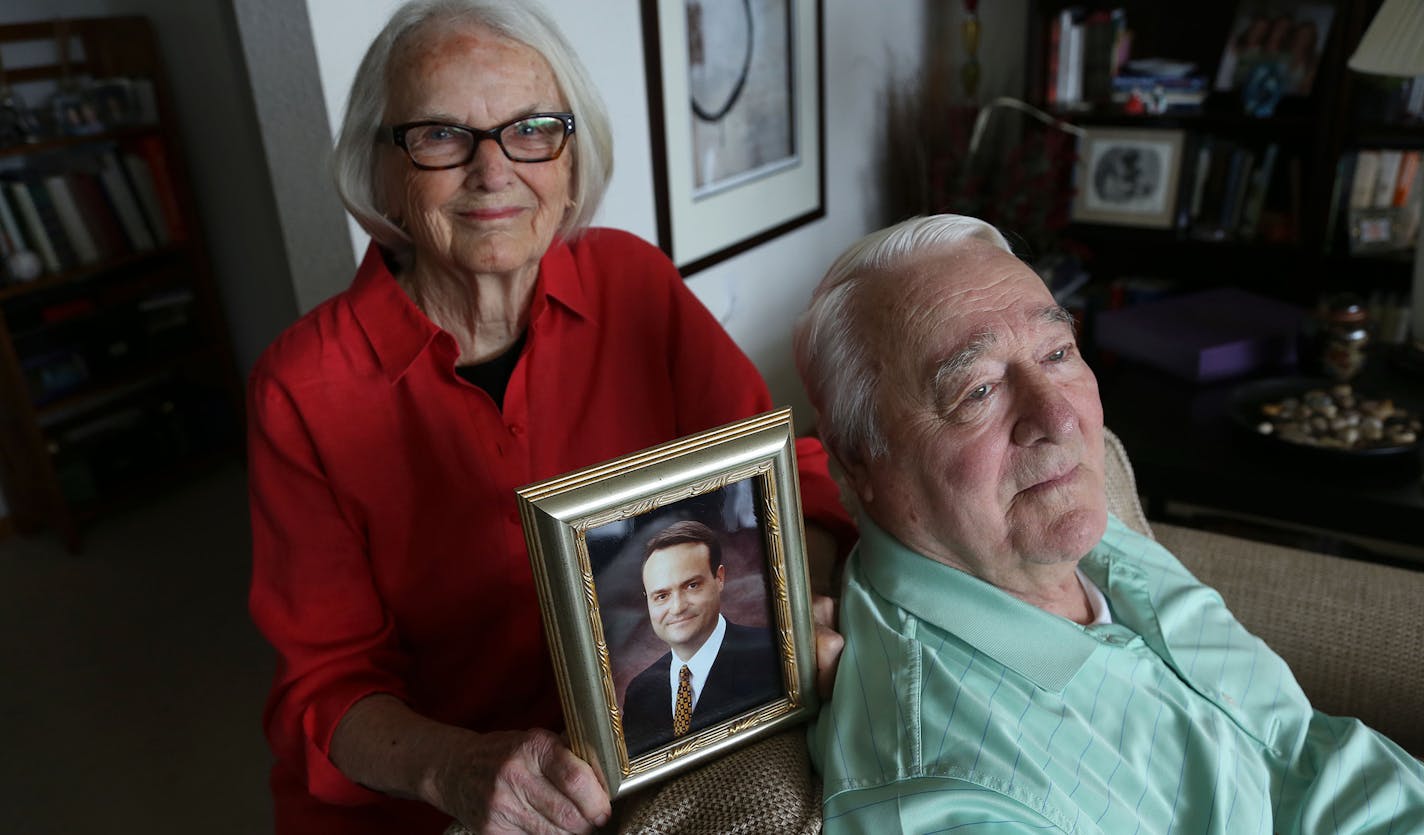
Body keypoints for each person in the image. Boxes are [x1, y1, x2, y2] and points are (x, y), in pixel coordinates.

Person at [245, 1, 852, 832]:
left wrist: (796, 600)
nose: (494, 171)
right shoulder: (301, 387)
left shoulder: (634, 284)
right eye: (440, 135)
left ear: (571, 159)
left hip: (661, 742)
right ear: (381, 170)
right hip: (443, 797)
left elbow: (787, 483)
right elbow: (325, 688)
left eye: (532, 129)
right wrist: (454, 767)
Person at [793, 214, 1424, 833]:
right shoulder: (948, 788)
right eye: (978, 390)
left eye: (1058, 351)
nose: (1060, 417)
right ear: (858, 461)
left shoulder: (1059, 533)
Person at [620, 520, 783, 756]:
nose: (677, 608)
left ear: (719, 579)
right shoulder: (640, 690)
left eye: (692, 586)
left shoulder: (770, 655)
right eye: (662, 596)